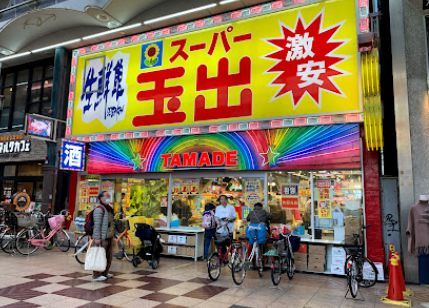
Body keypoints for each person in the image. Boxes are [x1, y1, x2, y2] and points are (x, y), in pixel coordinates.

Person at [93, 191, 115, 282]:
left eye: (109, 196)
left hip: (109, 236)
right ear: (101, 198)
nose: (109, 197)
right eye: (107, 196)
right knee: (100, 256)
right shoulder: (99, 209)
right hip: (102, 237)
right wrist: (97, 238)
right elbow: (97, 225)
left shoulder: (109, 208)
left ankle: (105, 272)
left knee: (108, 256)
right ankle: (97, 275)